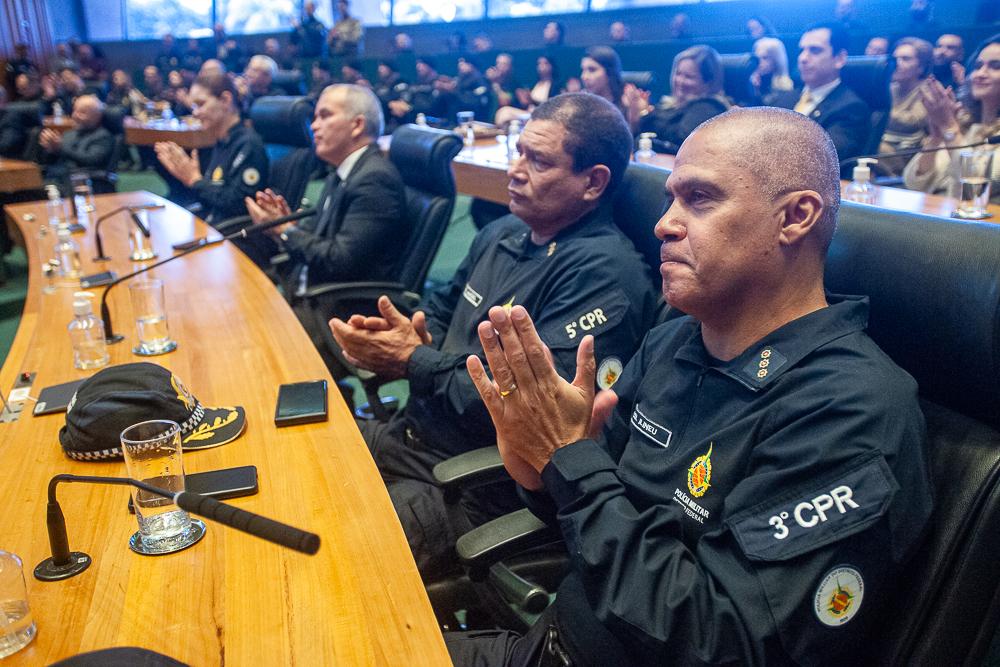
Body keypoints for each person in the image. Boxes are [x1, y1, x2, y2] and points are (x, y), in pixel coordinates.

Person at [451, 105, 933, 667]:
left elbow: (721, 641)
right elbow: (593, 516)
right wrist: (540, 470)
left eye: (700, 199)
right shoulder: (672, 341)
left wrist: (570, 462)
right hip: (553, 641)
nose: (664, 224)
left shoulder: (853, 411)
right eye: (670, 199)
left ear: (795, 216)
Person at [329, 92, 660, 578]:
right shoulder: (503, 231)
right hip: (413, 436)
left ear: (593, 183)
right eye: (519, 152)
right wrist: (409, 333)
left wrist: (413, 361)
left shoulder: (606, 276)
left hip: (474, 484)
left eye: (539, 160)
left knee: (336, 558)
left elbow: (529, 412)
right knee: (298, 461)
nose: (515, 170)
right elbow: (441, 308)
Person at [244, 84, 405, 374]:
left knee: (254, 354)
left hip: (344, 314)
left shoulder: (374, 180)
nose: (314, 126)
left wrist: (284, 232)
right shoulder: (344, 172)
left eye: (324, 116)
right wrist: (288, 225)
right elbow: (323, 239)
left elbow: (339, 259)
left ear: (357, 125)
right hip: (317, 297)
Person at [154, 71, 270, 263]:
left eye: (201, 104)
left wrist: (195, 180)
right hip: (215, 232)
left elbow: (238, 204)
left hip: (239, 244)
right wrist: (183, 179)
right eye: (193, 106)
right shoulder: (221, 143)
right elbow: (211, 195)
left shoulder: (248, 145)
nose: (196, 113)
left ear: (225, 99)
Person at [903, 34, 1000, 203]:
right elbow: (913, 183)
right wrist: (935, 137)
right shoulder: (966, 123)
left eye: (995, 66)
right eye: (977, 66)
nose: (980, 74)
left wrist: (949, 128)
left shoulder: (954, 128)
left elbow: (974, 189)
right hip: (941, 217)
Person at [769, 22, 871, 174]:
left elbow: (819, 160)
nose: (803, 58)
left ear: (840, 58)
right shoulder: (784, 99)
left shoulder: (851, 108)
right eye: (801, 50)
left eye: (815, 50)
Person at [624, 45, 730, 153]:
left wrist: (645, 113)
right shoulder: (669, 104)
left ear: (708, 82)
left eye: (689, 77)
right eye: (678, 74)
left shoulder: (709, 106)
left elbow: (681, 139)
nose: (680, 81)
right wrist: (635, 113)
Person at [879, 37, 933, 176]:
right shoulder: (891, 88)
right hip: (886, 148)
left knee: (871, 147)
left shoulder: (928, 90)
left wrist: (878, 111)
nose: (897, 63)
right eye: (895, 58)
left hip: (908, 154)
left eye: (905, 59)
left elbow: (912, 121)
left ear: (921, 67)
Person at [37, 95, 113, 182]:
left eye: (82, 112)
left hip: (85, 182)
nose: (74, 116)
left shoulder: (103, 136)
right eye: (74, 111)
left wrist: (60, 147)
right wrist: (50, 149)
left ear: (97, 116)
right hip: (58, 178)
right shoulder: (69, 134)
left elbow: (90, 160)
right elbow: (52, 161)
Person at [580, 46, 624, 112]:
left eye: (592, 70)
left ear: (610, 73)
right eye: (583, 70)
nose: (584, 77)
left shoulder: (627, 104)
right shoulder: (581, 106)